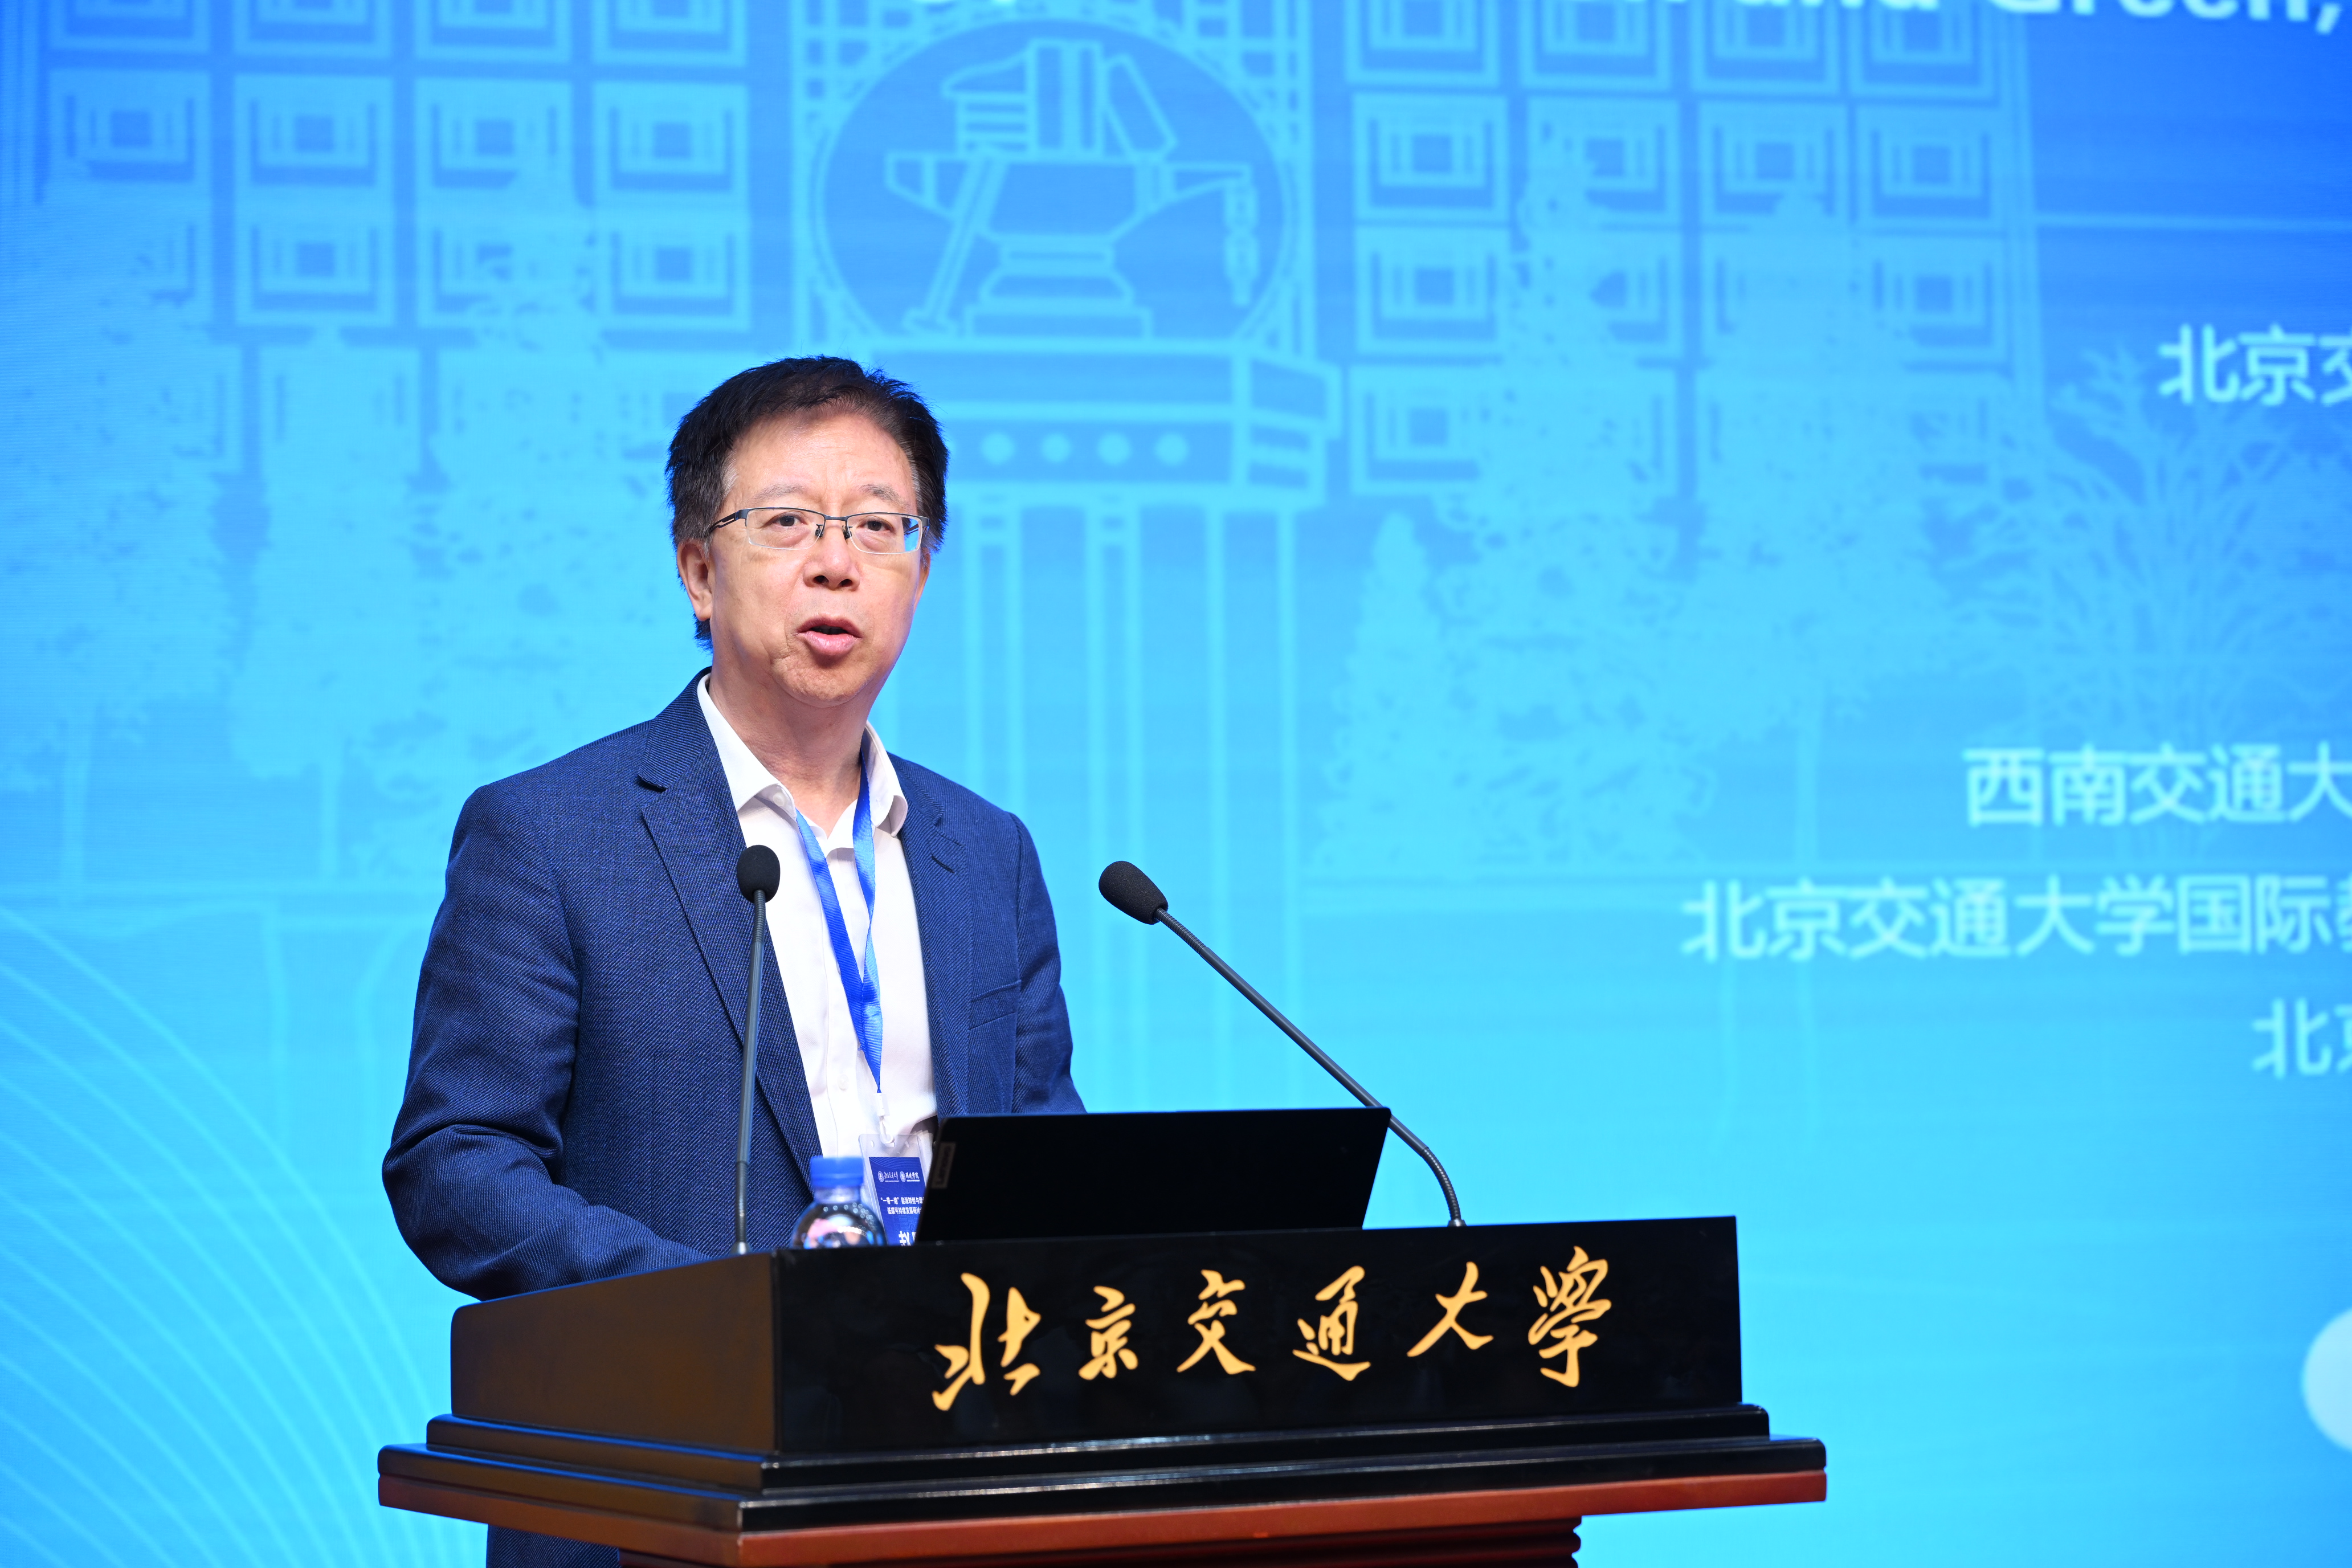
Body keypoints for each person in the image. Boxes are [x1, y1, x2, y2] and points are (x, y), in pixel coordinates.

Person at [385, 357, 1084, 1568]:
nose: (837, 562)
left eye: (879, 526)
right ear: (699, 569)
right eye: (789, 522)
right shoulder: (550, 834)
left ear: (922, 570)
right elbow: (457, 1162)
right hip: (665, 1491)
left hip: (951, 1484)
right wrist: (718, 1311)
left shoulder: (986, 853)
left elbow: (1046, 1163)